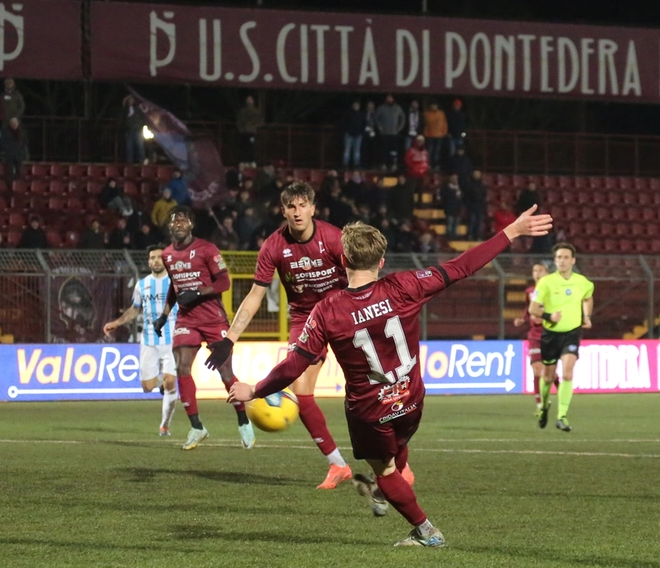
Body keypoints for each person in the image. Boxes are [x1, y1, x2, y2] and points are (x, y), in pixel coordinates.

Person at [227, 206, 552, 547]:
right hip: (412, 401)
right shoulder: (405, 285)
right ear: (381, 262)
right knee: (394, 457)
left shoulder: (328, 309)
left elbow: (295, 365)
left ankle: (426, 531)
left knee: (384, 470)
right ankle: (390, 484)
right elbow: (461, 267)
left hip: (371, 412)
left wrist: (255, 390)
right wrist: (511, 232)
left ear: (343, 262)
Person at [224, 182, 355, 490]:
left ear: (313, 208)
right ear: (283, 211)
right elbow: (256, 294)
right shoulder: (273, 246)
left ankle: (397, 463)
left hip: (342, 314)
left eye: (302, 206)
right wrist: (230, 337)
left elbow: (356, 280)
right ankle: (337, 464)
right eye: (291, 207)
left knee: (369, 389)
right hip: (306, 321)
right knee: (302, 392)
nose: (297, 212)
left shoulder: (334, 238)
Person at [153, 206, 253, 450]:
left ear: (191, 225)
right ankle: (196, 427)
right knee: (182, 366)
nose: (178, 224)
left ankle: (243, 420)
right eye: (174, 221)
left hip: (213, 319)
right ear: (169, 227)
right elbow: (174, 288)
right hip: (187, 320)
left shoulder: (207, 249)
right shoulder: (167, 255)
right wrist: (164, 316)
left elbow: (224, 282)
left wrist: (197, 292)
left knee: (225, 372)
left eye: (183, 220)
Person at [102, 246, 180, 437]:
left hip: (172, 339)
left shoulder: (175, 283)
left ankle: (164, 426)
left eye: (159, 258)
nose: (155, 261)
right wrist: (117, 323)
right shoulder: (142, 285)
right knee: (147, 387)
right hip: (148, 340)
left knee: (171, 381)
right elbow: (135, 309)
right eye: (152, 258)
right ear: (148, 261)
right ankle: (162, 382)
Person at [529, 243, 594, 432]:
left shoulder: (583, 282)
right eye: (559, 257)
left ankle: (562, 416)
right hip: (550, 335)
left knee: (567, 373)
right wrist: (549, 316)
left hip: (572, 333)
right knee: (548, 377)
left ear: (573, 261)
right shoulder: (546, 282)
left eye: (565, 257)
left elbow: (588, 297)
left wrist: (587, 316)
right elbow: (533, 308)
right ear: (555, 261)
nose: (562, 261)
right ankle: (544, 406)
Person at [513, 262, 559, 418]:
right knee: (537, 369)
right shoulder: (529, 292)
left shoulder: (554, 291)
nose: (537, 273)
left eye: (540, 270)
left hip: (550, 334)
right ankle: (540, 405)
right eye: (534, 270)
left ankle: (562, 397)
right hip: (534, 335)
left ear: (547, 273)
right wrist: (523, 319)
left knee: (549, 373)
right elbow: (528, 310)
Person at [372, 95, 405, 172]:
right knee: (383, 150)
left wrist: (399, 128)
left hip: (394, 133)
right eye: (388, 98)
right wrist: (379, 127)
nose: (389, 99)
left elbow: (403, 118)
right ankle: (383, 164)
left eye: (390, 98)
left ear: (393, 99)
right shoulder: (381, 108)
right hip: (384, 134)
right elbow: (376, 118)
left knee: (393, 151)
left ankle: (393, 164)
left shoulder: (398, 108)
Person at [0, 117, 30, 183]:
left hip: (19, 154)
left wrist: (23, 151)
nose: (14, 125)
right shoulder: (6, 132)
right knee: (9, 171)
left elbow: (25, 142)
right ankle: (11, 185)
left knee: (20, 171)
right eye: (13, 124)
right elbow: (3, 143)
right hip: (9, 155)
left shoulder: (22, 132)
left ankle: (19, 184)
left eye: (15, 123)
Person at [237, 95, 263, 166]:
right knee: (245, 146)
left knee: (251, 147)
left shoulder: (256, 111)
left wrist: (254, 126)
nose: (249, 101)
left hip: (251, 132)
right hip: (245, 132)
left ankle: (251, 161)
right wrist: (241, 129)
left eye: (250, 100)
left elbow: (260, 121)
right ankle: (245, 161)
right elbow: (239, 121)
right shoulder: (243, 111)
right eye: (248, 100)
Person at [121, 95, 146, 164]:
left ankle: (141, 160)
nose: (130, 101)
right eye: (129, 100)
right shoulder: (124, 110)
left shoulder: (137, 109)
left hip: (137, 129)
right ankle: (129, 161)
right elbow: (122, 119)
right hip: (128, 130)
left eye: (131, 99)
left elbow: (142, 118)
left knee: (139, 145)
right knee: (128, 146)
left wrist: (140, 125)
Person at [340, 100, 366, 169]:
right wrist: (346, 131)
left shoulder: (361, 115)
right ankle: (345, 164)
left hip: (358, 135)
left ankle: (356, 164)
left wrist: (361, 133)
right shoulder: (348, 114)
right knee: (347, 150)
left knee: (357, 151)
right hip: (349, 135)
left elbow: (364, 124)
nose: (356, 106)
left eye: (357, 105)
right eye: (354, 105)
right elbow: (344, 123)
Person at [422, 102, 448, 170]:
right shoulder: (426, 114)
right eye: (432, 105)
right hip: (430, 135)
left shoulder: (441, 113)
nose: (434, 107)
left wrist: (444, 132)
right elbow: (425, 125)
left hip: (439, 135)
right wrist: (426, 134)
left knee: (437, 151)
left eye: (435, 105)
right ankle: (429, 164)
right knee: (430, 150)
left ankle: (436, 165)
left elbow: (444, 123)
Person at [462, 169, 486, 241]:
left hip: (480, 207)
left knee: (478, 223)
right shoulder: (469, 185)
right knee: (471, 222)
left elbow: (483, 196)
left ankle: (477, 236)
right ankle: (470, 235)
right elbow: (467, 196)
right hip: (472, 206)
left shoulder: (482, 185)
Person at [440, 174, 463, 240]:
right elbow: (445, 198)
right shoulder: (446, 188)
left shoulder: (459, 188)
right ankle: (449, 236)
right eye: (454, 179)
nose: (456, 180)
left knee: (456, 224)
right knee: (450, 223)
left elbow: (461, 198)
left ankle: (454, 236)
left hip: (457, 209)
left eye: (456, 179)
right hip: (449, 208)